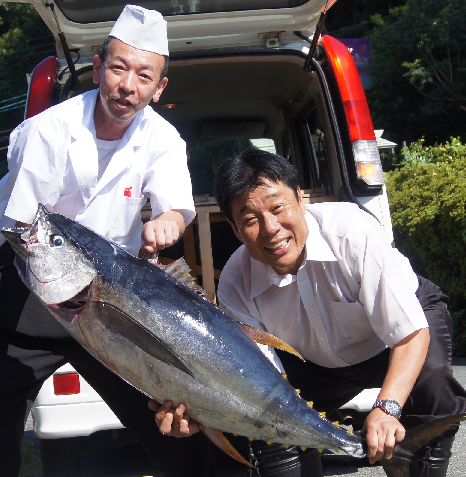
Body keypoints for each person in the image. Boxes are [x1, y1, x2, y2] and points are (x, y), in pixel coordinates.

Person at [153, 148, 466, 477]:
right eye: (250, 220)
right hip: (314, 364)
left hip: (393, 339)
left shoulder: (351, 232)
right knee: (264, 420)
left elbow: (409, 333)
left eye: (278, 207)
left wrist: (387, 407)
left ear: (300, 199)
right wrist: (202, 416)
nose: (271, 228)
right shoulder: (235, 285)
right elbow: (259, 385)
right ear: (234, 228)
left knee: (432, 385)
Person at [0, 5, 216, 476]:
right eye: (118, 68)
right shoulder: (45, 132)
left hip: (110, 297)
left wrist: (169, 223)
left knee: (174, 419)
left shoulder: (163, 138)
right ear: (99, 68)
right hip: (32, 288)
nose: (127, 85)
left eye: (144, 75)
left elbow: (177, 206)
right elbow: (20, 229)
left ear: (159, 88)